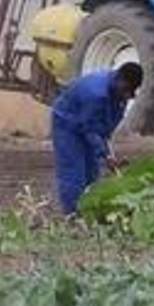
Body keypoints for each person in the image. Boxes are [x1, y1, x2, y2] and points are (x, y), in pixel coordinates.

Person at [51, 62, 144, 214]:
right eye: (126, 90)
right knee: (74, 173)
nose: (127, 95)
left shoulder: (121, 92)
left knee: (92, 173)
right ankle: (72, 215)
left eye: (131, 92)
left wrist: (106, 150)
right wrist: (105, 155)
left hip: (89, 124)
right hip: (67, 123)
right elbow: (89, 129)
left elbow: (108, 124)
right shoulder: (95, 94)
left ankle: (91, 211)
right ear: (120, 79)